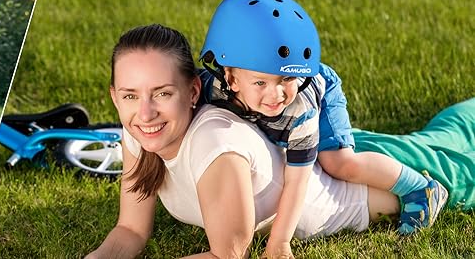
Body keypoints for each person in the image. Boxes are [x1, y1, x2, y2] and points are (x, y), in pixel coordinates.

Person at [86, 24, 474, 258]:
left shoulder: (215, 143)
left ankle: (425, 189)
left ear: (191, 91)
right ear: (115, 96)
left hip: (362, 182)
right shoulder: (141, 129)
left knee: (461, 166)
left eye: (162, 93)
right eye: (130, 95)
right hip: (309, 144)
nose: (146, 112)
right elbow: (132, 231)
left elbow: (228, 254)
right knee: (449, 130)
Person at [196, 0, 447, 244]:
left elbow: (297, 182)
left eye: (287, 79)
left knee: (338, 163)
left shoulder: (299, 109)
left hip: (323, 94)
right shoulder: (210, 88)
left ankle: (420, 189)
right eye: (260, 83)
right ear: (230, 78)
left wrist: (280, 242)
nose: (277, 95)